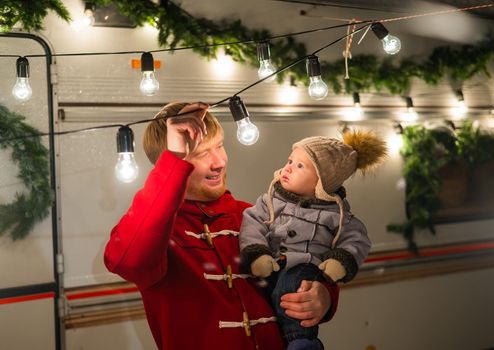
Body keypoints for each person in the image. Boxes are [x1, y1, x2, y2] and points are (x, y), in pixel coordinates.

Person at [104, 102, 338, 350]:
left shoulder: (257, 213)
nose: (219, 161)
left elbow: (308, 260)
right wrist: (173, 157)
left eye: (219, 146)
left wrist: (323, 295)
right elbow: (127, 261)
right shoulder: (157, 232)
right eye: (201, 153)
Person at [239, 131, 387, 349]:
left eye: (300, 166)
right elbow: (253, 223)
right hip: (271, 264)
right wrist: (257, 252)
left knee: (295, 289)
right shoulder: (270, 201)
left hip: (304, 266)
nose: (288, 167)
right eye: (290, 161)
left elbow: (357, 238)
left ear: (323, 182)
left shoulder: (336, 214)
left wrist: (341, 260)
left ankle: (302, 340)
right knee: (266, 291)